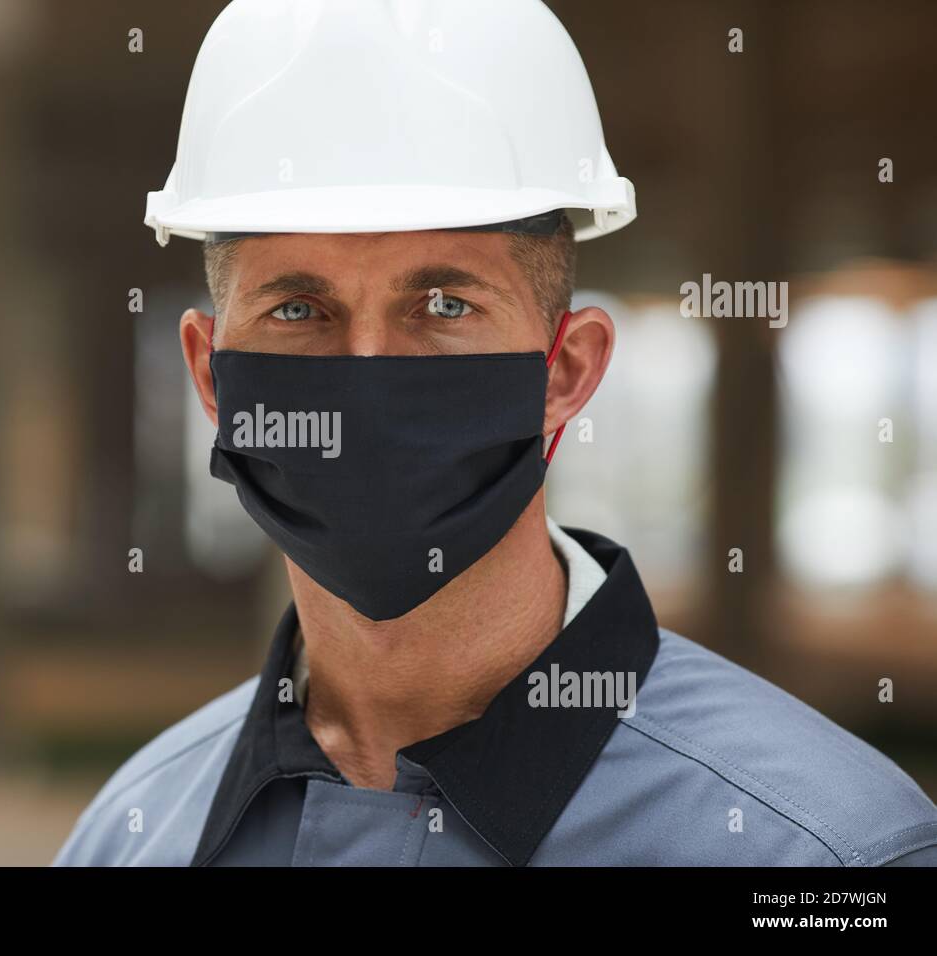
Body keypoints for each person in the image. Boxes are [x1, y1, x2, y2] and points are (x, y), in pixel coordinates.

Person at [54, 0, 937, 866]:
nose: (367, 367)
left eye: (444, 305)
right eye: (298, 308)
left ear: (566, 372)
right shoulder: (132, 832)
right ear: (212, 374)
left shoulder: (825, 854)